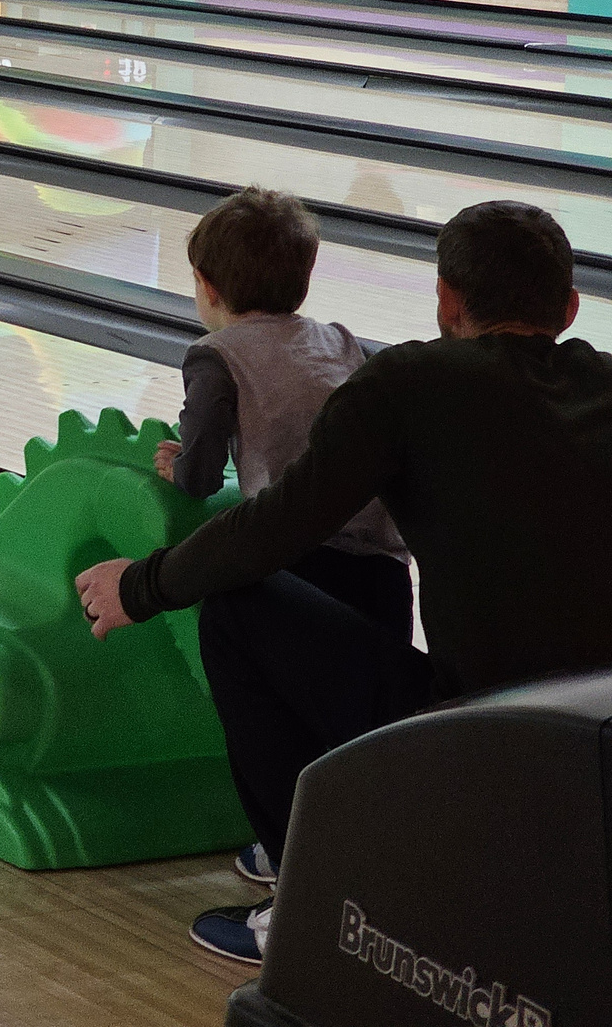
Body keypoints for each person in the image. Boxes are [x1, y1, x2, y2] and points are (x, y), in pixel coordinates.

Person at [75, 201, 612, 967]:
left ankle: (305, 899)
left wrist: (144, 585)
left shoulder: (412, 380)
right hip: (600, 743)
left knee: (237, 604)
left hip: (480, 738)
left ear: (446, 302)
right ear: (569, 308)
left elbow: (275, 527)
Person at [155, 188, 413, 893]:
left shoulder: (216, 355)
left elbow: (204, 474)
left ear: (206, 287)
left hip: (299, 566)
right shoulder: (338, 339)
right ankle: (352, 864)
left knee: (273, 719)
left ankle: (289, 864)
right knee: (352, 738)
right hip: (387, 574)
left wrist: (177, 463)